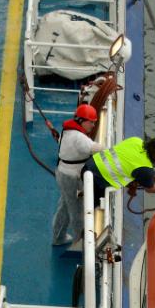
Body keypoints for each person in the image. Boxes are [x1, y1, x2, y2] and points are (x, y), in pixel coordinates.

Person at [52, 104, 102, 247]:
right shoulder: (79, 138)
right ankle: (81, 244)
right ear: (81, 121)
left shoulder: (67, 131)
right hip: (72, 177)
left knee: (65, 206)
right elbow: (95, 148)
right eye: (91, 122)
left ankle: (58, 236)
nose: (93, 125)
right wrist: (113, 150)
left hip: (63, 173)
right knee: (77, 210)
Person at [83, 136, 155, 203]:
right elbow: (150, 189)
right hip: (97, 182)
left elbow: (124, 159)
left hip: (88, 165)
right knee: (93, 206)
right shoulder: (146, 169)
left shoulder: (135, 140)